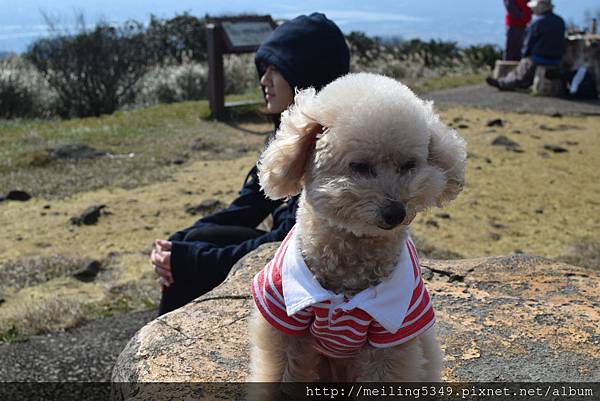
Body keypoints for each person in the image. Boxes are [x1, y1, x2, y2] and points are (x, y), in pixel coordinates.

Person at [151, 12, 350, 316]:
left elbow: (289, 243)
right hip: (289, 261)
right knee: (195, 241)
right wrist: (176, 244)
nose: (263, 80)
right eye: (263, 69)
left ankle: (166, 353)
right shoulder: (288, 139)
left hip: (320, 280)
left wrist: (190, 261)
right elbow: (247, 208)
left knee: (191, 262)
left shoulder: (332, 152)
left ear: (304, 73)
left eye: (275, 69)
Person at [487, 0, 565, 91]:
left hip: (540, 57)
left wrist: (525, 56)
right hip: (557, 58)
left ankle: (503, 83)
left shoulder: (537, 23)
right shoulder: (560, 21)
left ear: (541, 7)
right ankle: (524, 83)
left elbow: (528, 45)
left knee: (521, 69)